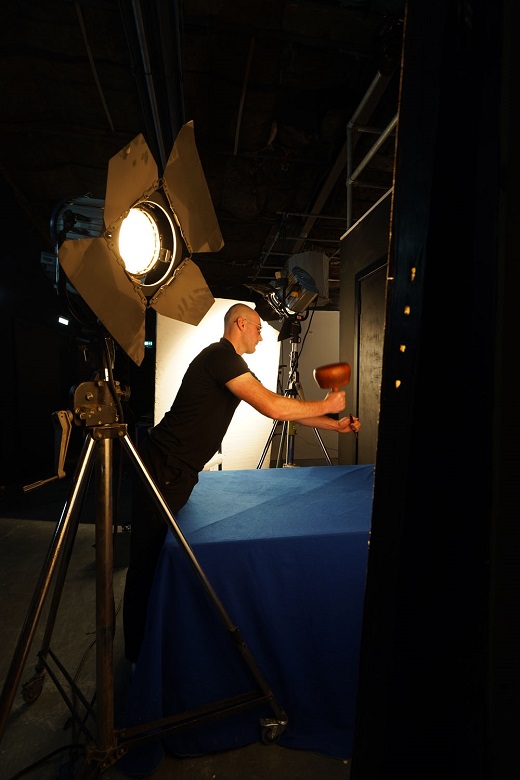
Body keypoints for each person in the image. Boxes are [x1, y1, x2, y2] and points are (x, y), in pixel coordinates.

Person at [123, 302, 361, 663]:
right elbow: (275, 409)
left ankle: (151, 645)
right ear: (240, 323)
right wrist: (326, 405)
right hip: (163, 468)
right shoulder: (222, 357)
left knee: (157, 560)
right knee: (148, 562)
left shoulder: (230, 364)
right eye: (259, 328)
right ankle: (140, 658)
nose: (262, 336)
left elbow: (280, 403)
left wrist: (336, 425)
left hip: (173, 470)